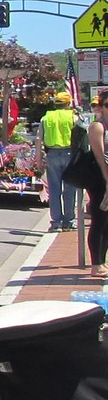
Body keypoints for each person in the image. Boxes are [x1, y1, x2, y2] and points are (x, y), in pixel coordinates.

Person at [41, 90, 81, 232]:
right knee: (70, 189)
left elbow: (39, 138)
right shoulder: (74, 117)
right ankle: (69, 221)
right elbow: (81, 138)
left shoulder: (46, 118)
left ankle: (56, 223)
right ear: (68, 103)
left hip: (52, 154)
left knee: (54, 189)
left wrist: (39, 159)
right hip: (70, 154)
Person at [86, 94, 108, 279]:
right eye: (107, 105)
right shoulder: (98, 126)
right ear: (101, 107)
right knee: (100, 219)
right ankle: (96, 264)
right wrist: (107, 178)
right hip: (100, 178)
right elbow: (99, 156)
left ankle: (102, 261)